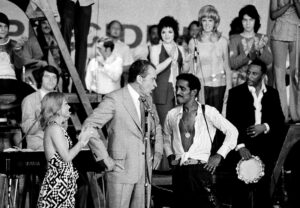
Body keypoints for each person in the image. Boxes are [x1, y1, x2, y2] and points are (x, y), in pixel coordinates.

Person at [79, 59, 163, 208]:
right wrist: (105, 159)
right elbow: (89, 125)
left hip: (144, 173)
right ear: (139, 79)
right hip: (120, 170)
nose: (155, 85)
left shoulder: (148, 100)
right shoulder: (115, 99)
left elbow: (156, 127)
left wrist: (157, 151)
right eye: (153, 79)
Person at [164, 73, 238, 208]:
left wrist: (219, 155)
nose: (178, 92)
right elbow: (166, 137)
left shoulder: (208, 112)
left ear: (193, 92)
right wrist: (170, 155)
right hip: (180, 171)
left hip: (201, 170)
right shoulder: (172, 114)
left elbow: (232, 132)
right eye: (177, 88)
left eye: (182, 89)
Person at [226, 59, 285, 208]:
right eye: (248, 72)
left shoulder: (272, 93)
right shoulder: (235, 93)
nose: (249, 76)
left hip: (266, 148)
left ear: (263, 75)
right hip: (243, 147)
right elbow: (230, 124)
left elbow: (280, 121)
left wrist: (264, 127)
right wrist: (240, 147)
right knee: (240, 194)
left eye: (254, 74)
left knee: (263, 193)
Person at [36, 92, 90, 208]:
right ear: (57, 108)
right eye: (66, 104)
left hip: (62, 182)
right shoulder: (54, 128)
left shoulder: (56, 127)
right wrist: (82, 142)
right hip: (58, 183)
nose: (69, 107)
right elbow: (66, 157)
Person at [189, 5, 232, 114]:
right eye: (204, 20)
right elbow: (191, 69)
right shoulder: (193, 42)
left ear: (215, 22)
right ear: (200, 22)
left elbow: (227, 67)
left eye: (210, 20)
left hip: (218, 87)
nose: (207, 24)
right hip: (201, 87)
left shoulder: (222, 41)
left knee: (216, 120)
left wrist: (229, 88)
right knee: (200, 120)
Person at [150, 16, 189, 127]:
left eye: (170, 32)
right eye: (163, 32)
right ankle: (164, 145)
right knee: (165, 124)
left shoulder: (180, 48)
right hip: (162, 90)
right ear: (160, 33)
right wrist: (170, 58)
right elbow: (154, 70)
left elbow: (184, 71)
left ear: (175, 33)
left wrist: (186, 62)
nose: (167, 35)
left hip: (179, 89)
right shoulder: (155, 48)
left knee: (178, 124)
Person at [270, 0, 300, 122]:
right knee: (279, 76)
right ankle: (282, 114)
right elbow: (273, 15)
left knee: (296, 74)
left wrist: (296, 3)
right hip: (279, 34)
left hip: (296, 34)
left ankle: (296, 114)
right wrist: (288, 5)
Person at [229, 5, 272, 87]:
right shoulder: (235, 39)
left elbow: (269, 61)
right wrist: (247, 54)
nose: (248, 23)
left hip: (259, 81)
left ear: (255, 21)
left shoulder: (262, 38)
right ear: (241, 21)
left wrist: (260, 51)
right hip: (241, 80)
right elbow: (232, 64)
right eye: (245, 20)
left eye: (251, 20)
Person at [57, 0, 94, 89]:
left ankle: (79, 79)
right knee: (66, 29)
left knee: (82, 40)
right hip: (68, 2)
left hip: (85, 2)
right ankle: (65, 70)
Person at [21, 65, 59, 150]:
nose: (51, 80)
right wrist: (42, 119)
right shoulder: (29, 100)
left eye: (54, 77)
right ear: (40, 79)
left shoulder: (60, 100)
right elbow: (26, 129)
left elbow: (64, 127)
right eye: (47, 76)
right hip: (38, 147)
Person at [0, 12, 35, 102]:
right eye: (0, 26)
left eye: (5, 26)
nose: (3, 30)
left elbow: (19, 66)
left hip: (12, 82)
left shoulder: (14, 44)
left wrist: (18, 49)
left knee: (34, 95)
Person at [107, 20, 134, 86]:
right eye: (113, 28)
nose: (116, 30)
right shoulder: (102, 44)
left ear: (121, 32)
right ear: (108, 30)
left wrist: (117, 69)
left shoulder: (125, 47)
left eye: (118, 28)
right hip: (103, 79)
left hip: (118, 81)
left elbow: (129, 65)